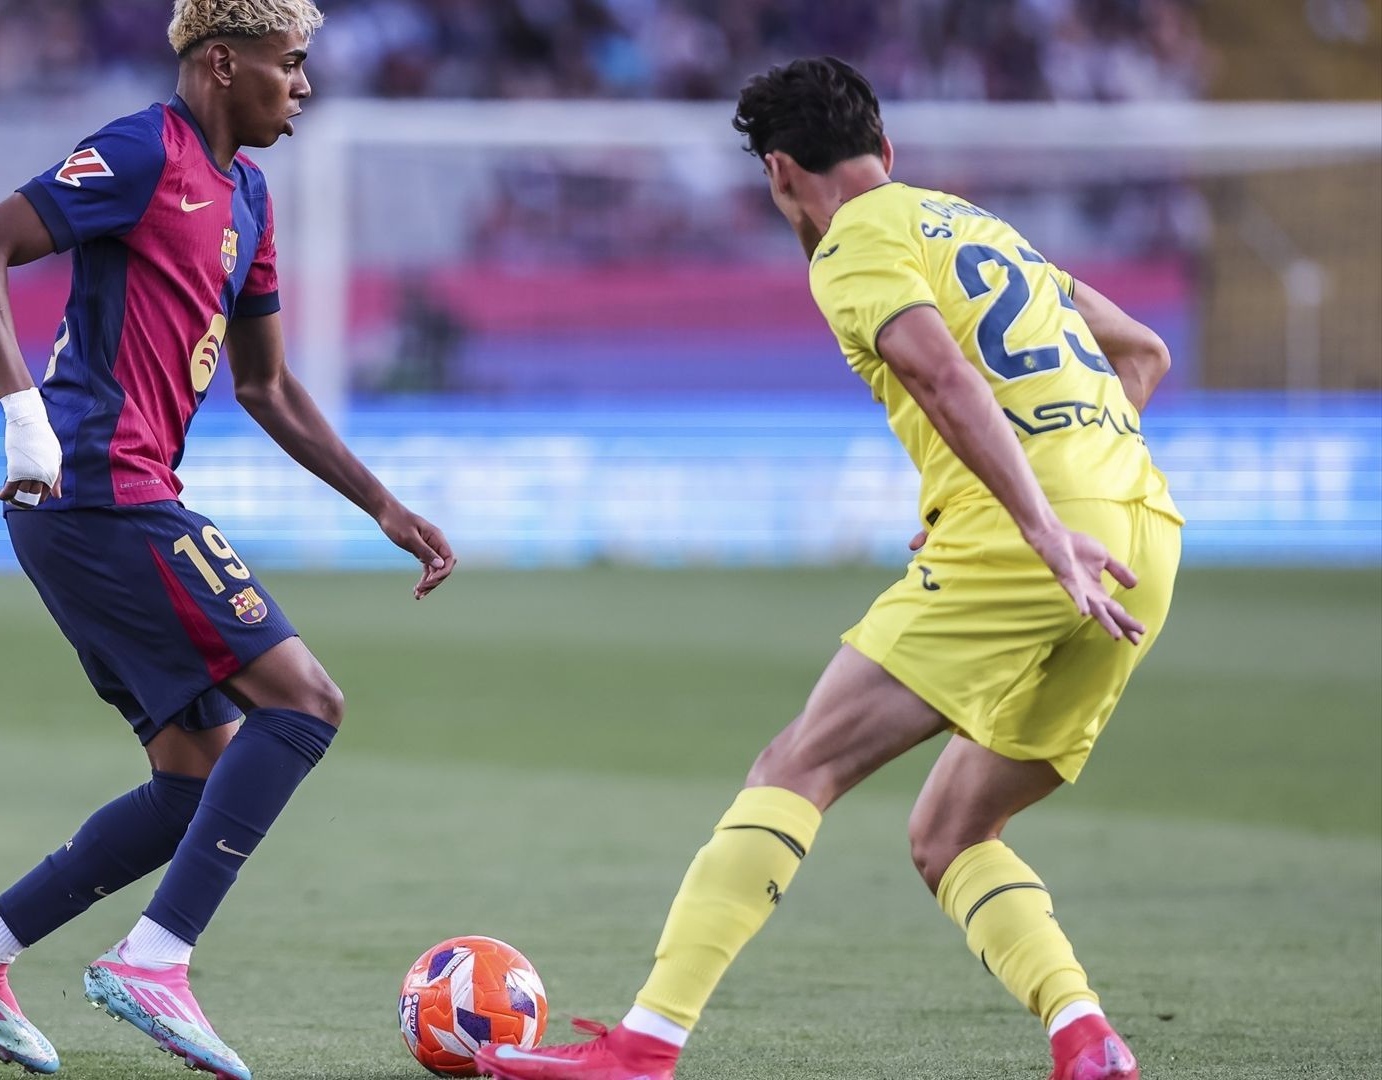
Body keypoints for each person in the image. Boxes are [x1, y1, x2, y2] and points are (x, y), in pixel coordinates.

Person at [478, 56, 1179, 1080]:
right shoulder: (978, 226)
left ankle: (643, 1049)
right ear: (886, 151)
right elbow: (1145, 351)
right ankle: (1087, 1041)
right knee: (952, 831)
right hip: (1144, 541)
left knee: (796, 764)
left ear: (778, 174)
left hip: (1047, 542)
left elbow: (936, 369)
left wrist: (1036, 522)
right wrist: (1080, 494)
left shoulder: (852, 243)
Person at [0, 3, 456, 1077]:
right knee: (304, 701)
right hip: (99, 491)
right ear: (221, 63)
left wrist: (379, 502)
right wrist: (25, 418)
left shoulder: (249, 194)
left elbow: (266, 383)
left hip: (109, 503)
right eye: (288, 64)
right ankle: (156, 959)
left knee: (195, 776)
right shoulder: (140, 152)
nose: (302, 86)